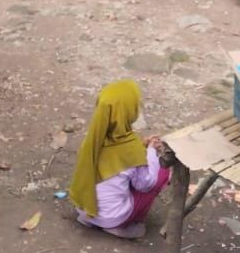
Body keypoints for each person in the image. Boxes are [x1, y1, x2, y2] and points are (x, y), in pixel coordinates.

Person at [69, 80, 170, 240]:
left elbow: (114, 156)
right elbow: (146, 184)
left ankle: (89, 220)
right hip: (112, 217)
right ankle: (119, 227)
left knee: (117, 178)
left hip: (84, 208)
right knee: (161, 173)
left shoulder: (91, 141)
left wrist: (141, 146)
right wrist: (150, 151)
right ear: (130, 111)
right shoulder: (130, 148)